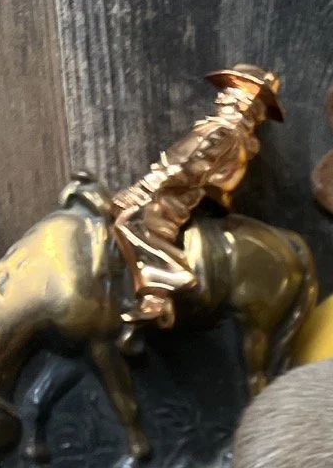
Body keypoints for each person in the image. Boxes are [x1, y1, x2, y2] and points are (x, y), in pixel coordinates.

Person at [111, 65, 284, 347]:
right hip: (185, 195)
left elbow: (184, 167)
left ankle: (158, 292)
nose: (220, 98)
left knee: (129, 223)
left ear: (238, 101)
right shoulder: (236, 136)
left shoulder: (220, 131)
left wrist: (140, 190)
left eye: (228, 93)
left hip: (170, 197)